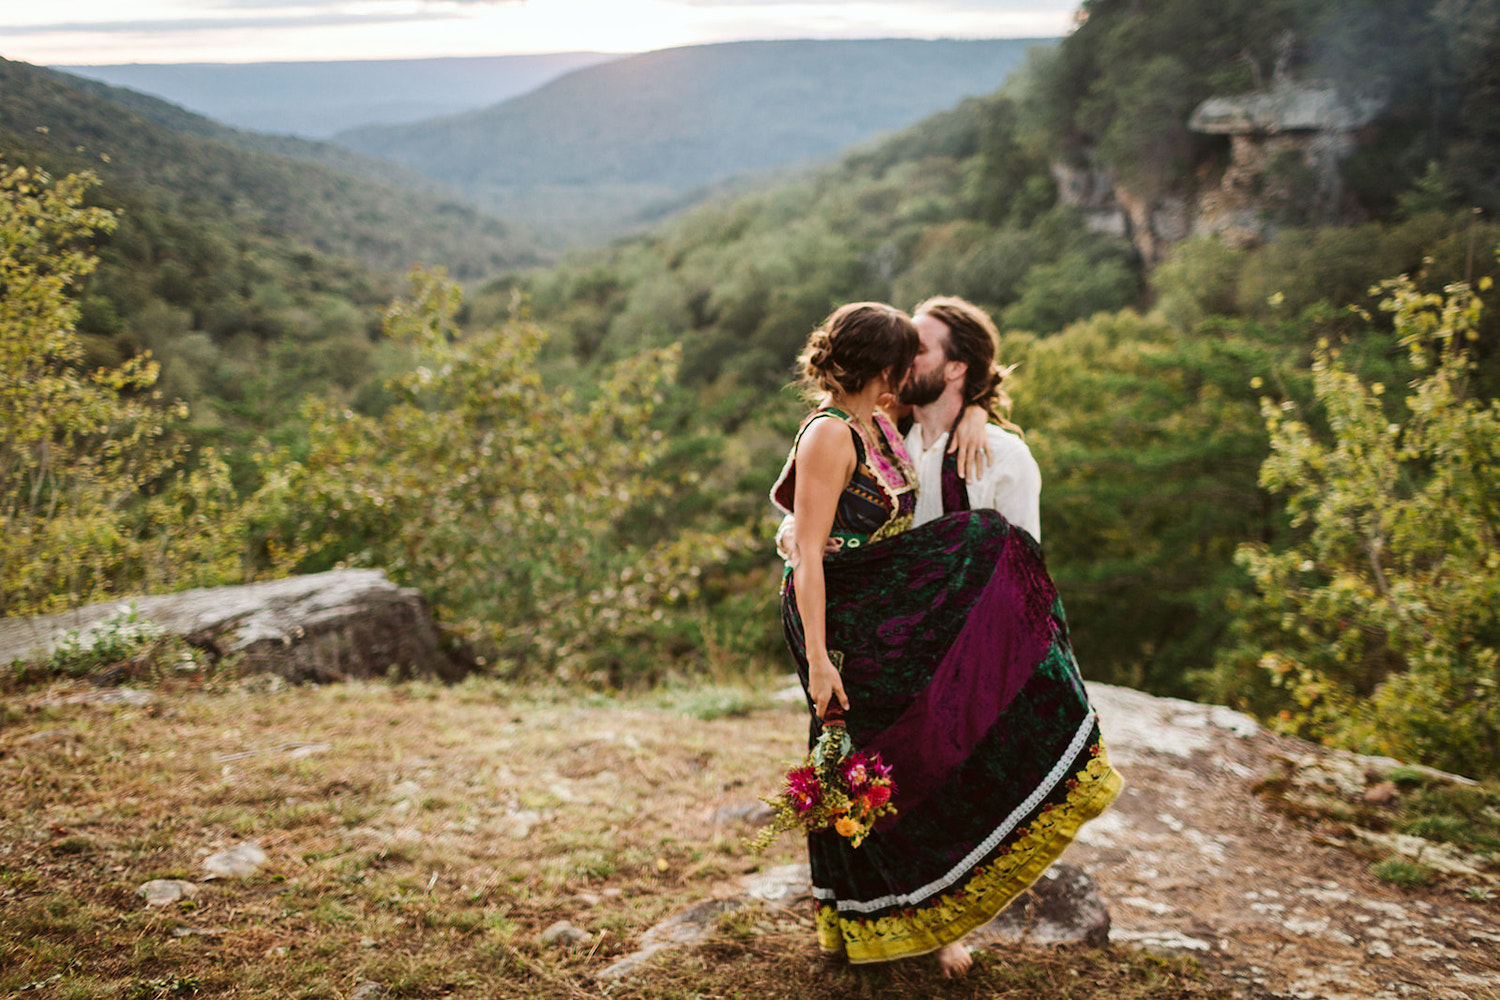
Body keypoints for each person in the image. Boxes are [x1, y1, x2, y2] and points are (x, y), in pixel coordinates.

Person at [769, 302, 1121, 976]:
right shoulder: (859, 430)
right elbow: (811, 536)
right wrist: (814, 633)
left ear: (955, 368)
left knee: (927, 762)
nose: (912, 368)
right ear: (885, 369)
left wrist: (981, 416)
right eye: (906, 356)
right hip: (857, 621)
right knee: (860, 757)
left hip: (921, 628)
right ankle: (870, 916)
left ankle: (934, 909)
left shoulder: (940, 441)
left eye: (925, 351)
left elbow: (1016, 563)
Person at [899, 295, 1040, 538]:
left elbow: (1020, 566)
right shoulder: (881, 440)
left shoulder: (1006, 456)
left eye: (919, 350)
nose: (903, 360)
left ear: (956, 368)